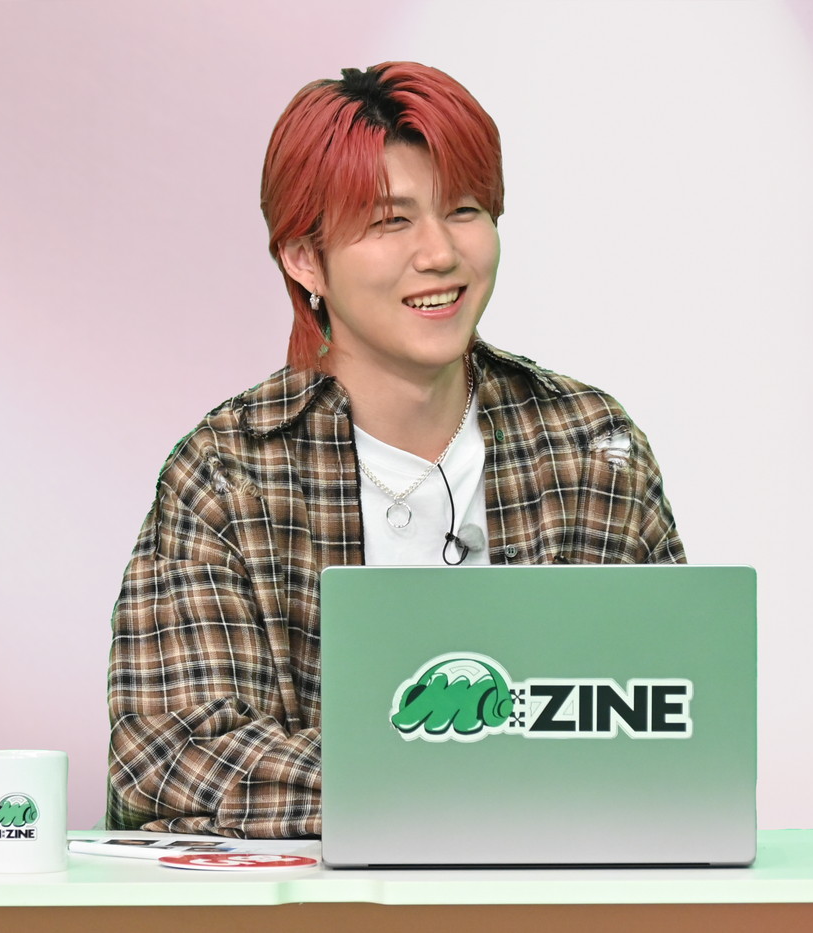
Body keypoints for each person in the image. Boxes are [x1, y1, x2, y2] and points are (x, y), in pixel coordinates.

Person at [106, 62, 685, 838]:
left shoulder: (592, 445)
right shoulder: (227, 474)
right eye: (390, 222)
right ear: (305, 258)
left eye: (464, 210)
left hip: (556, 890)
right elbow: (172, 754)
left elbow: (680, 723)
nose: (439, 253)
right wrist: (474, 783)